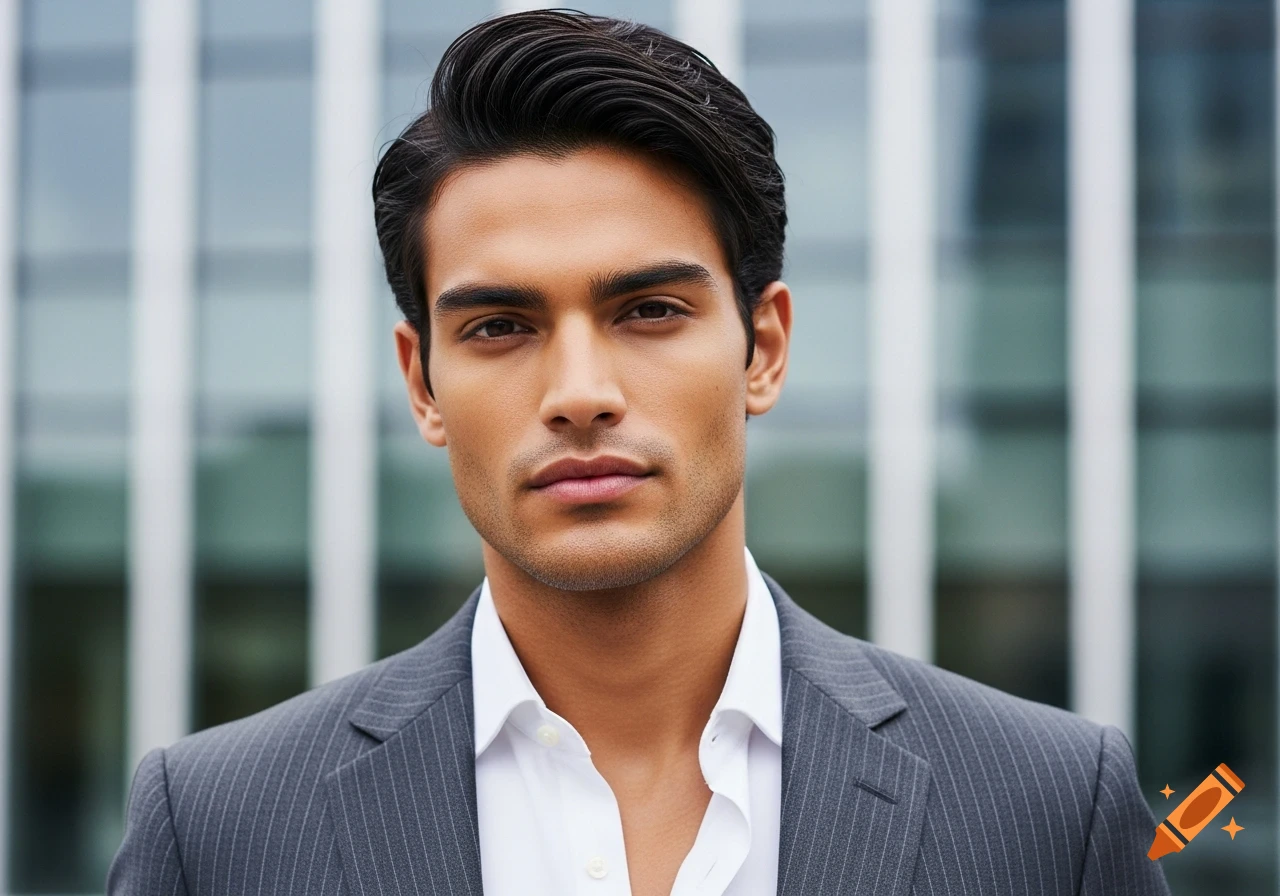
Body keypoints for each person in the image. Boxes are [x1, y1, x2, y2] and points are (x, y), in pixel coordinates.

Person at [108, 9, 1171, 896]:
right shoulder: (216, 829)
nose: (579, 394)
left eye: (648, 308)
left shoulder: (1045, 808)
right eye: (499, 326)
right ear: (422, 381)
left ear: (762, 347)